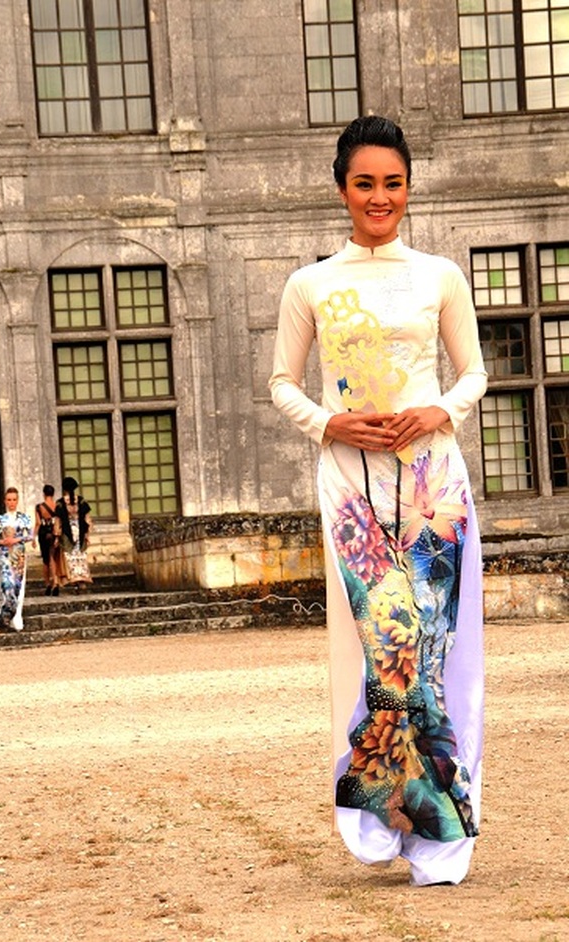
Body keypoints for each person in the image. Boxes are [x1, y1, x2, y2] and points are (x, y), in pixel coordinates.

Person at [269, 115, 487, 887]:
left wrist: (440, 411)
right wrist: (333, 422)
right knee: (383, 648)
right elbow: (282, 384)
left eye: (392, 183)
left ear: (408, 189)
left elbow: (473, 374)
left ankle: (440, 831)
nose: (379, 197)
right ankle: (381, 812)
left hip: (434, 486)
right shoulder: (312, 283)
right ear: (341, 189)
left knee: (432, 647)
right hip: (351, 486)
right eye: (365, 183)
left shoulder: (440, 276)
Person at [0, 487, 33, 631]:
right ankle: (5, 613)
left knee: (18, 585)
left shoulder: (24, 518)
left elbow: (30, 535)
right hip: (4, 554)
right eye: (9, 500)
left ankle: (15, 616)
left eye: (14, 499)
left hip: (18, 555)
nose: (12, 502)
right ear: (5, 501)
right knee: (6, 583)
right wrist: (4, 542)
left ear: (18, 500)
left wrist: (15, 540)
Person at [53, 476, 93, 592]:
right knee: (80, 555)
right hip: (79, 530)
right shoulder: (80, 501)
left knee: (70, 557)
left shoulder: (60, 503)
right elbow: (87, 518)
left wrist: (57, 536)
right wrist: (87, 533)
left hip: (67, 531)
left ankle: (74, 580)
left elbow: (58, 521)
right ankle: (82, 580)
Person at [32, 483, 60, 596]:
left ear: (44, 494)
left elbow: (38, 523)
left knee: (45, 560)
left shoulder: (39, 507)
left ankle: (48, 583)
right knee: (53, 557)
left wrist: (33, 537)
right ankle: (56, 582)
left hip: (43, 532)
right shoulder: (57, 506)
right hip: (54, 531)